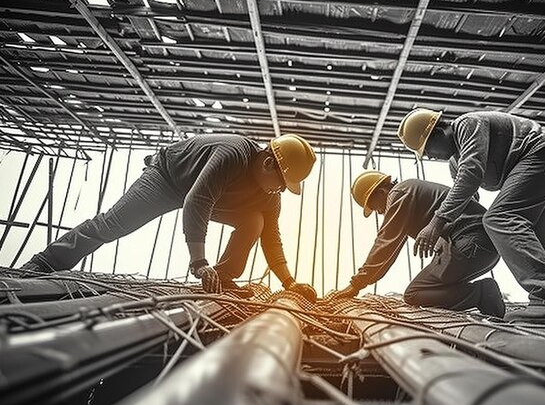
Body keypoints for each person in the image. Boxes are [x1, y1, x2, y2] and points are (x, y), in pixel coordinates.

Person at [20, 133, 318, 301]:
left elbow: (271, 238)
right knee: (113, 224)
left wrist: (288, 282)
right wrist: (199, 263)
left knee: (257, 221)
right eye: (282, 183)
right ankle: (44, 263)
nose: (281, 190)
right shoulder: (233, 153)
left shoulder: (270, 196)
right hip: (167, 179)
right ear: (267, 163)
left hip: (209, 196)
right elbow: (198, 199)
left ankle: (224, 277)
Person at [397, 108, 545, 325]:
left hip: (544, 155)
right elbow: (467, 199)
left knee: (499, 219)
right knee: (539, 241)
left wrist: (436, 222)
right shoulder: (456, 163)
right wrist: (447, 235)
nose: (430, 157)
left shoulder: (467, 125)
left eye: (427, 150)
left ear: (437, 132)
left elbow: (471, 174)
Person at [334, 170, 505, 318]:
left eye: (374, 207)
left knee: (415, 293)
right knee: (426, 288)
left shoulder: (399, 194)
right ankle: (485, 298)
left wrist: (356, 284)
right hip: (483, 245)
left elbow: (385, 243)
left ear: (380, 193)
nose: (379, 213)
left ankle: (481, 294)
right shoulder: (409, 192)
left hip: (470, 243)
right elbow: (392, 245)